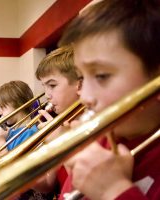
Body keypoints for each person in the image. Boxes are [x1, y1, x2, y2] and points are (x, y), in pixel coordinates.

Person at [56, 0, 160, 199]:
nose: (85, 97)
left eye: (101, 75)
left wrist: (113, 191)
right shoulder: (102, 142)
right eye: (81, 77)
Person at [32, 45, 80, 197]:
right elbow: (47, 184)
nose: (47, 95)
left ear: (80, 84)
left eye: (52, 85)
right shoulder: (60, 125)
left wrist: (63, 145)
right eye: (44, 86)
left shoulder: (95, 126)